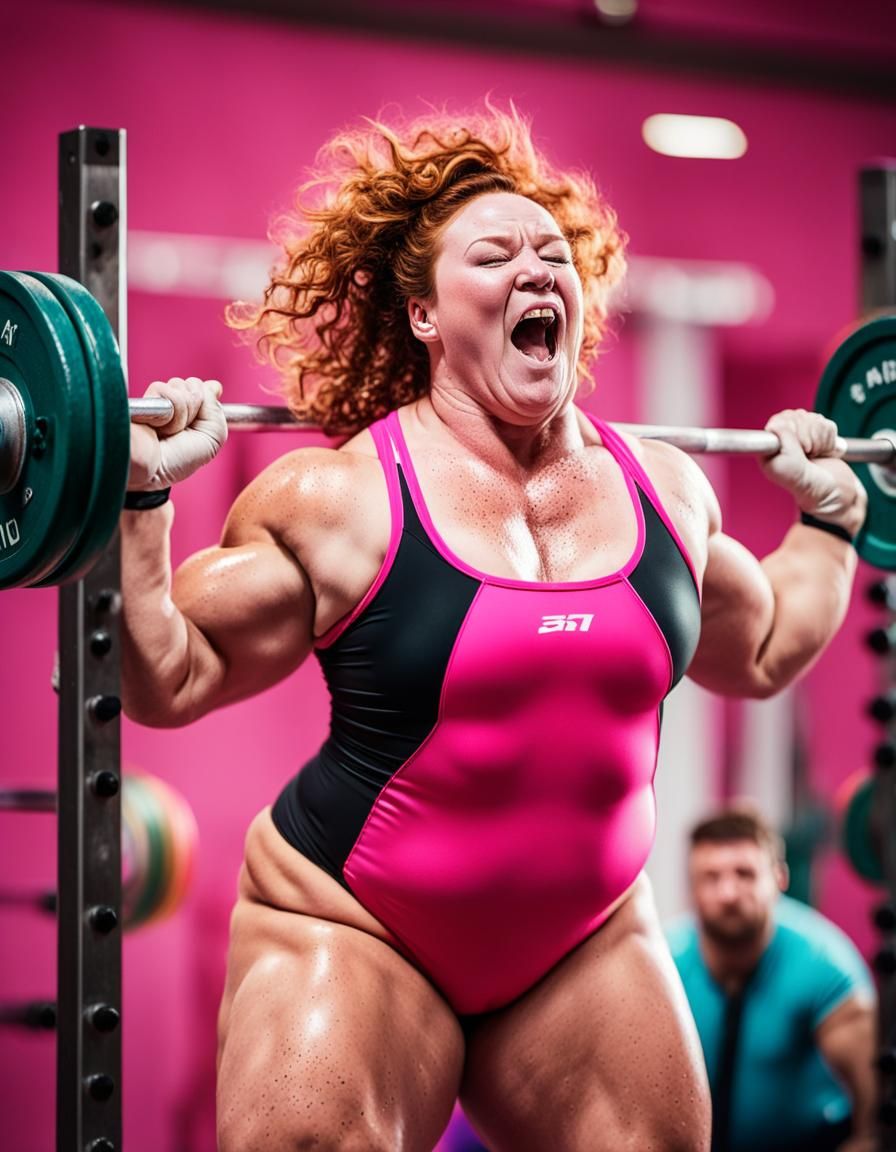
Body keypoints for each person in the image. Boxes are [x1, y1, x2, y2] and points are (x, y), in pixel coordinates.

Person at [120, 105, 868, 1152]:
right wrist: (139, 504)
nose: (534, 269)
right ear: (424, 314)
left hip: (581, 942)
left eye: (550, 253)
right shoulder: (342, 501)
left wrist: (833, 519)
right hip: (357, 919)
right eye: (494, 254)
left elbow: (763, 645)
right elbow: (169, 676)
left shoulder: (664, 493)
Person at [666, 805, 877, 1152]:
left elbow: (876, 1118)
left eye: (745, 874)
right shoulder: (666, 965)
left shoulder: (823, 966)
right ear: (692, 887)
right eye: (711, 877)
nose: (728, 894)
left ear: (779, 879)